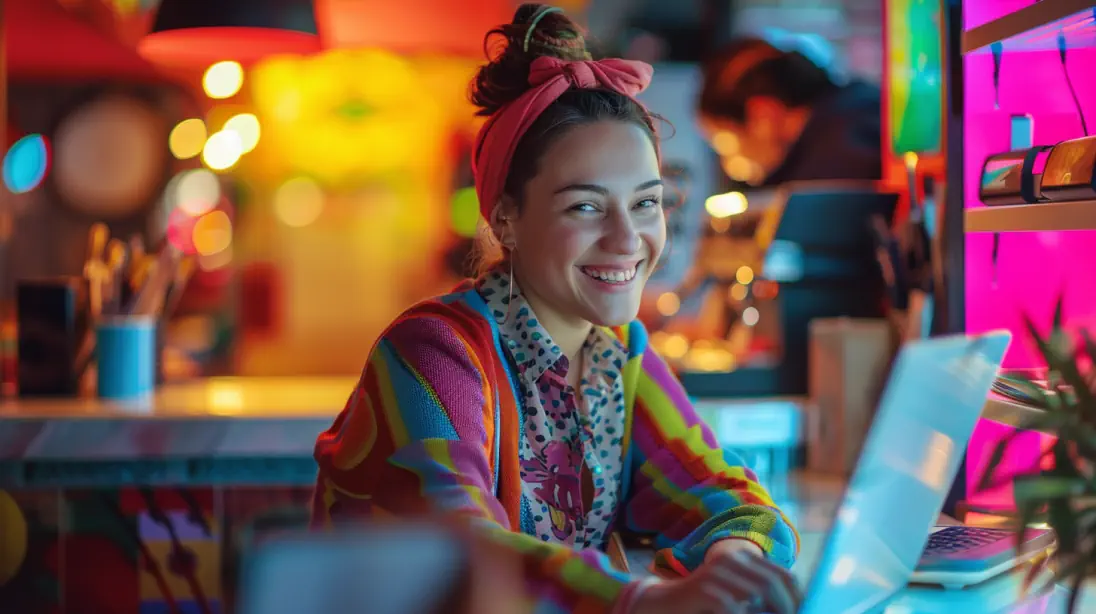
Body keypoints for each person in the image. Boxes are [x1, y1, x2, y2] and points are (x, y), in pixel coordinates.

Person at [311, 5, 800, 613]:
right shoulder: (433, 354)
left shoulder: (618, 352)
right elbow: (462, 548)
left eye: (646, 204)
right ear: (506, 219)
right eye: (586, 208)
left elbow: (725, 492)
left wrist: (735, 563)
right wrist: (642, 602)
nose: (629, 240)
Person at [697, 35, 882, 186]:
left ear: (764, 114)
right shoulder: (856, 106)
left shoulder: (830, 173)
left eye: (726, 144)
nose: (730, 166)